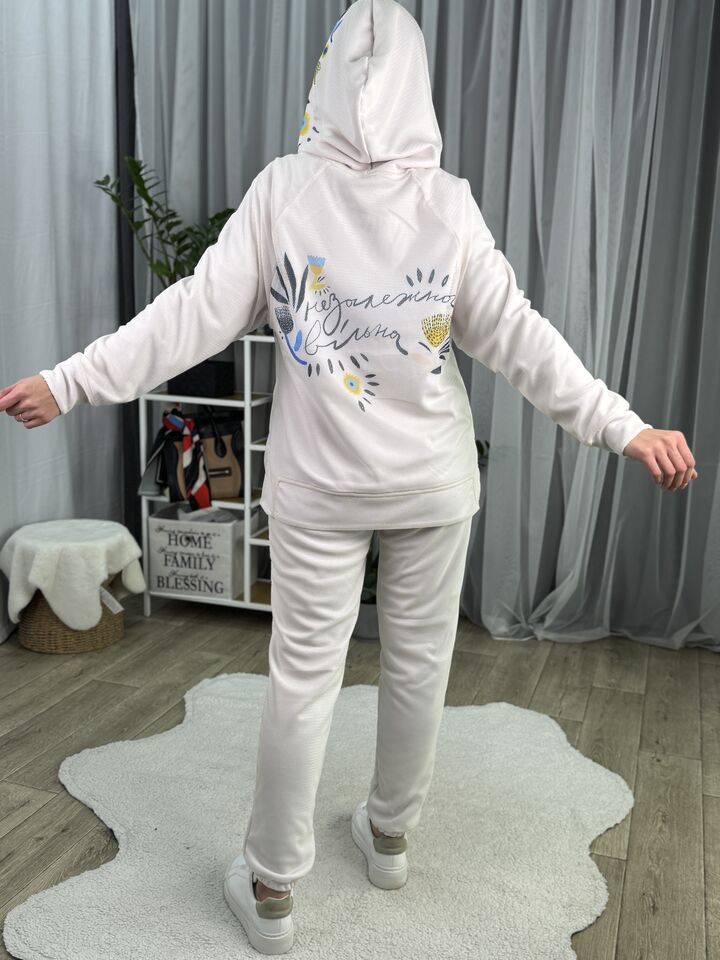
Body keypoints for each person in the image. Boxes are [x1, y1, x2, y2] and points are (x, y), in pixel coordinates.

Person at [0, 0, 697, 953]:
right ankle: (390, 837)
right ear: (420, 88)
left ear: (325, 83)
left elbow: (193, 313)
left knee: (303, 678)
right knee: (418, 666)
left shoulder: (286, 192)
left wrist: (72, 379)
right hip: (432, 484)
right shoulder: (447, 203)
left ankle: (273, 890)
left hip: (319, 488)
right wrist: (625, 426)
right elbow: (523, 340)